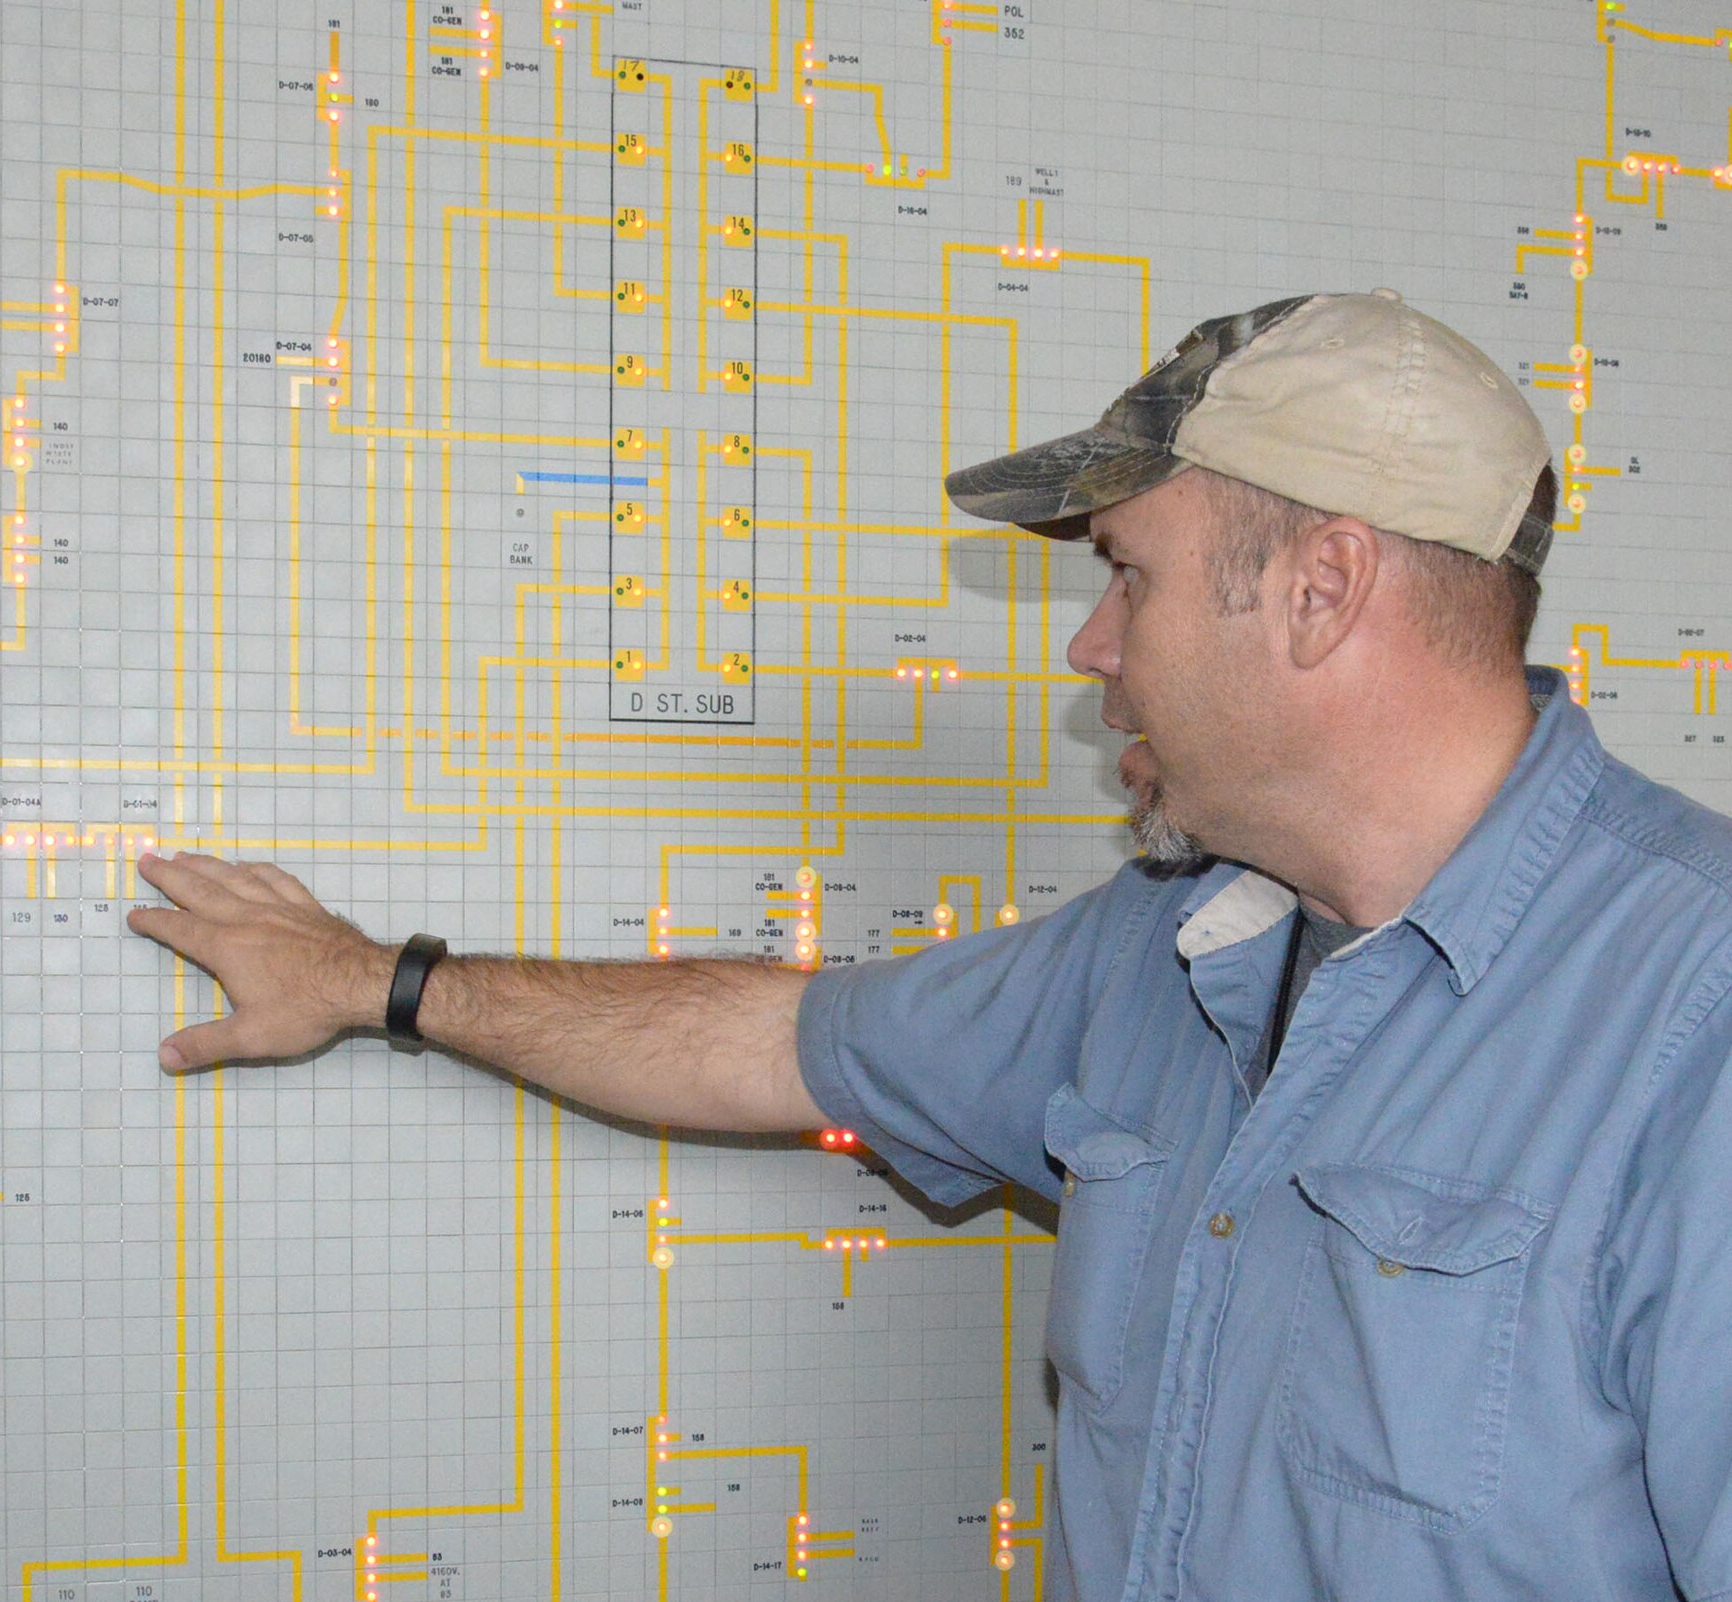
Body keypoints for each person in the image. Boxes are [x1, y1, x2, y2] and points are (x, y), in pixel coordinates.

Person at [130, 290, 1732, 1600]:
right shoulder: (1166, 951)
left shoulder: (1693, 1018)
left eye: (1129, 577)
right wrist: (377, 979)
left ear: (1321, 593)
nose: (1092, 648)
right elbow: (778, 1040)